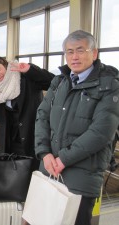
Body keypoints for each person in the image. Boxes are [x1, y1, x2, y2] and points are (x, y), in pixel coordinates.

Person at [34, 30, 119, 225]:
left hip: (82, 175)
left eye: (80, 50)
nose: (74, 56)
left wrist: (63, 159)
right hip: (49, 170)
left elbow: (101, 131)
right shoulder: (60, 81)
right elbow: (42, 117)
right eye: (69, 51)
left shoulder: (110, 85)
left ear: (94, 53)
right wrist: (44, 153)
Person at [0, 55, 54, 170]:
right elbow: (1, 120)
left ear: (4, 64)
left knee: (33, 178)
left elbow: (52, 81)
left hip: (32, 138)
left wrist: (30, 70)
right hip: (11, 144)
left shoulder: (25, 78)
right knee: (14, 179)